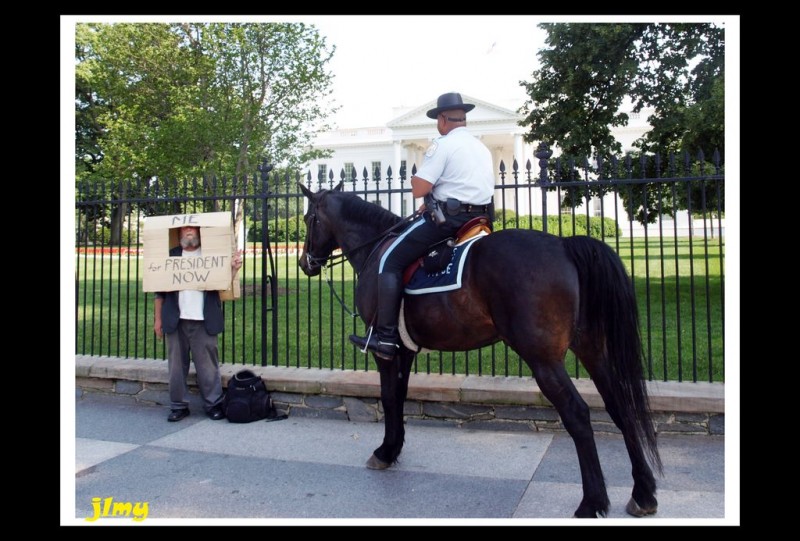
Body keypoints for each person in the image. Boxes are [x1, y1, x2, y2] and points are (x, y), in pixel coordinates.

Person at [349, 92, 495, 360]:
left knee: (389, 262)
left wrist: (425, 183)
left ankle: (387, 338)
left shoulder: (443, 145)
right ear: (463, 118)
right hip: (479, 220)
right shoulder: (480, 147)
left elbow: (419, 188)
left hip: (448, 222)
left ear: (442, 119)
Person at [153, 225, 243, 422]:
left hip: (204, 320)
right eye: (185, 229)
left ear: (200, 234)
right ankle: (178, 406)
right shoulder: (170, 256)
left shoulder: (212, 256)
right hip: (176, 321)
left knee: (208, 366)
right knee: (176, 367)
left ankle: (214, 404)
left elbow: (223, 283)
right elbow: (159, 292)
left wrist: (233, 269)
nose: (189, 232)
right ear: (178, 235)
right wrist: (157, 319)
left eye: (193, 229)